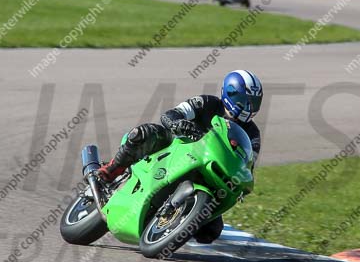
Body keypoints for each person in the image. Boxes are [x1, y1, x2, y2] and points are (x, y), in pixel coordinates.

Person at [97, 70, 263, 243]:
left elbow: (248, 164)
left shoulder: (252, 134)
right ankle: (112, 169)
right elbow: (171, 114)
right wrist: (179, 123)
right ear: (231, 93)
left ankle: (174, 224)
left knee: (211, 232)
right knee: (146, 133)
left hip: (212, 174)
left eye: (255, 102)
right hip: (177, 152)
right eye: (247, 101)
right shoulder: (208, 103)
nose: (250, 107)